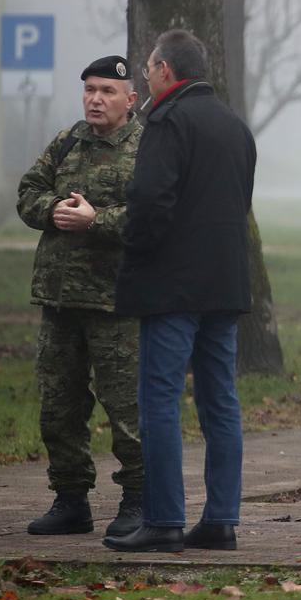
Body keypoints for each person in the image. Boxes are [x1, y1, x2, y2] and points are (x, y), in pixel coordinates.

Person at [104, 30, 257, 553]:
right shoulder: (236, 126)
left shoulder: (166, 122)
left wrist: (136, 250)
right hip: (226, 285)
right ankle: (221, 519)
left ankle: (164, 518)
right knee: (220, 403)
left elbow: (149, 201)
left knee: (159, 402)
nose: (144, 75)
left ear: (166, 70)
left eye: (148, 67)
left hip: (172, 287)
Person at [16, 56, 145, 539]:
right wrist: (53, 211)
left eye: (108, 91)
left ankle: (137, 500)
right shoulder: (67, 140)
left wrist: (97, 221)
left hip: (117, 302)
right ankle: (70, 500)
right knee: (59, 406)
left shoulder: (147, 147)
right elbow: (28, 190)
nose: (95, 99)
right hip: (60, 298)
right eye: (90, 89)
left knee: (126, 409)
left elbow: (154, 216)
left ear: (129, 99)